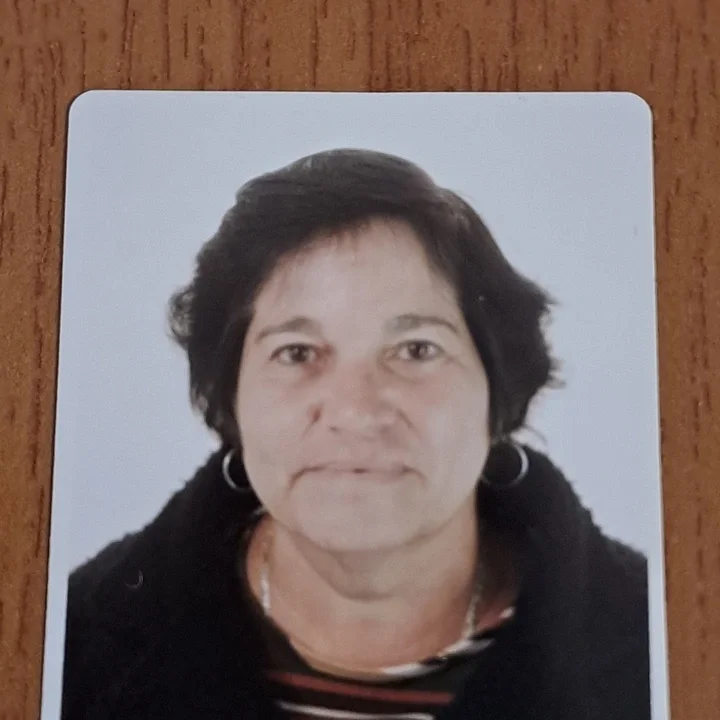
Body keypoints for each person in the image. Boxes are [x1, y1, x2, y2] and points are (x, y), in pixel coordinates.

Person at [60, 149, 650, 720]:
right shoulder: (76, 642)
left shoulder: (658, 636)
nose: (355, 411)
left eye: (416, 350)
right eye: (297, 353)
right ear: (230, 395)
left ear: (499, 389)